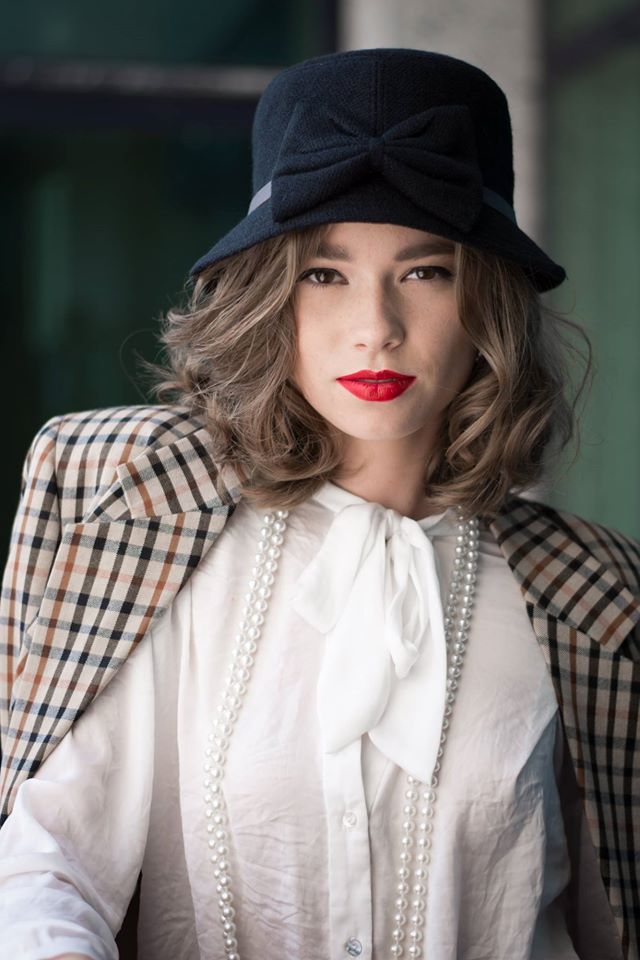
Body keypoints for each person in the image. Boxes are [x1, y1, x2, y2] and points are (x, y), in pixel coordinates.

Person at [0, 46, 638, 960]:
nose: (376, 328)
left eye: (426, 271)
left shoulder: (591, 601)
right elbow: (48, 867)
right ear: (270, 298)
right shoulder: (159, 539)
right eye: (324, 274)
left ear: (487, 302)